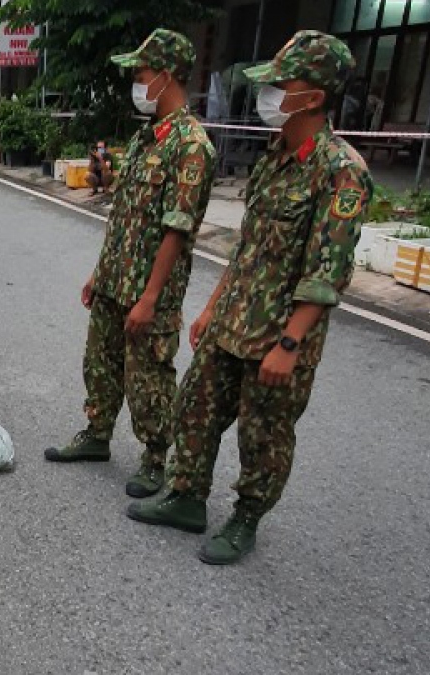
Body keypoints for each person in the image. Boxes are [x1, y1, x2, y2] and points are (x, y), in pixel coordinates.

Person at [127, 31, 372, 565]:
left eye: (281, 85)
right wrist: (214, 306)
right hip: (233, 318)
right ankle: (188, 498)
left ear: (313, 96)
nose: (269, 94)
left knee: (264, 436)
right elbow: (249, 247)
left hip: (278, 334)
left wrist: (290, 342)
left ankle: (245, 518)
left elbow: (328, 272)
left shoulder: (341, 170)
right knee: (194, 408)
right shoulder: (275, 155)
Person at [44, 29, 217, 501]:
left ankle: (156, 458)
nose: (136, 84)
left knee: (149, 377)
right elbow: (124, 217)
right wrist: (99, 274)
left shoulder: (191, 146)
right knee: (99, 363)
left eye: (141, 75)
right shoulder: (146, 138)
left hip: (149, 291)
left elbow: (176, 232)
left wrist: (150, 297)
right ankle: (97, 435)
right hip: (113, 281)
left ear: (165, 76)